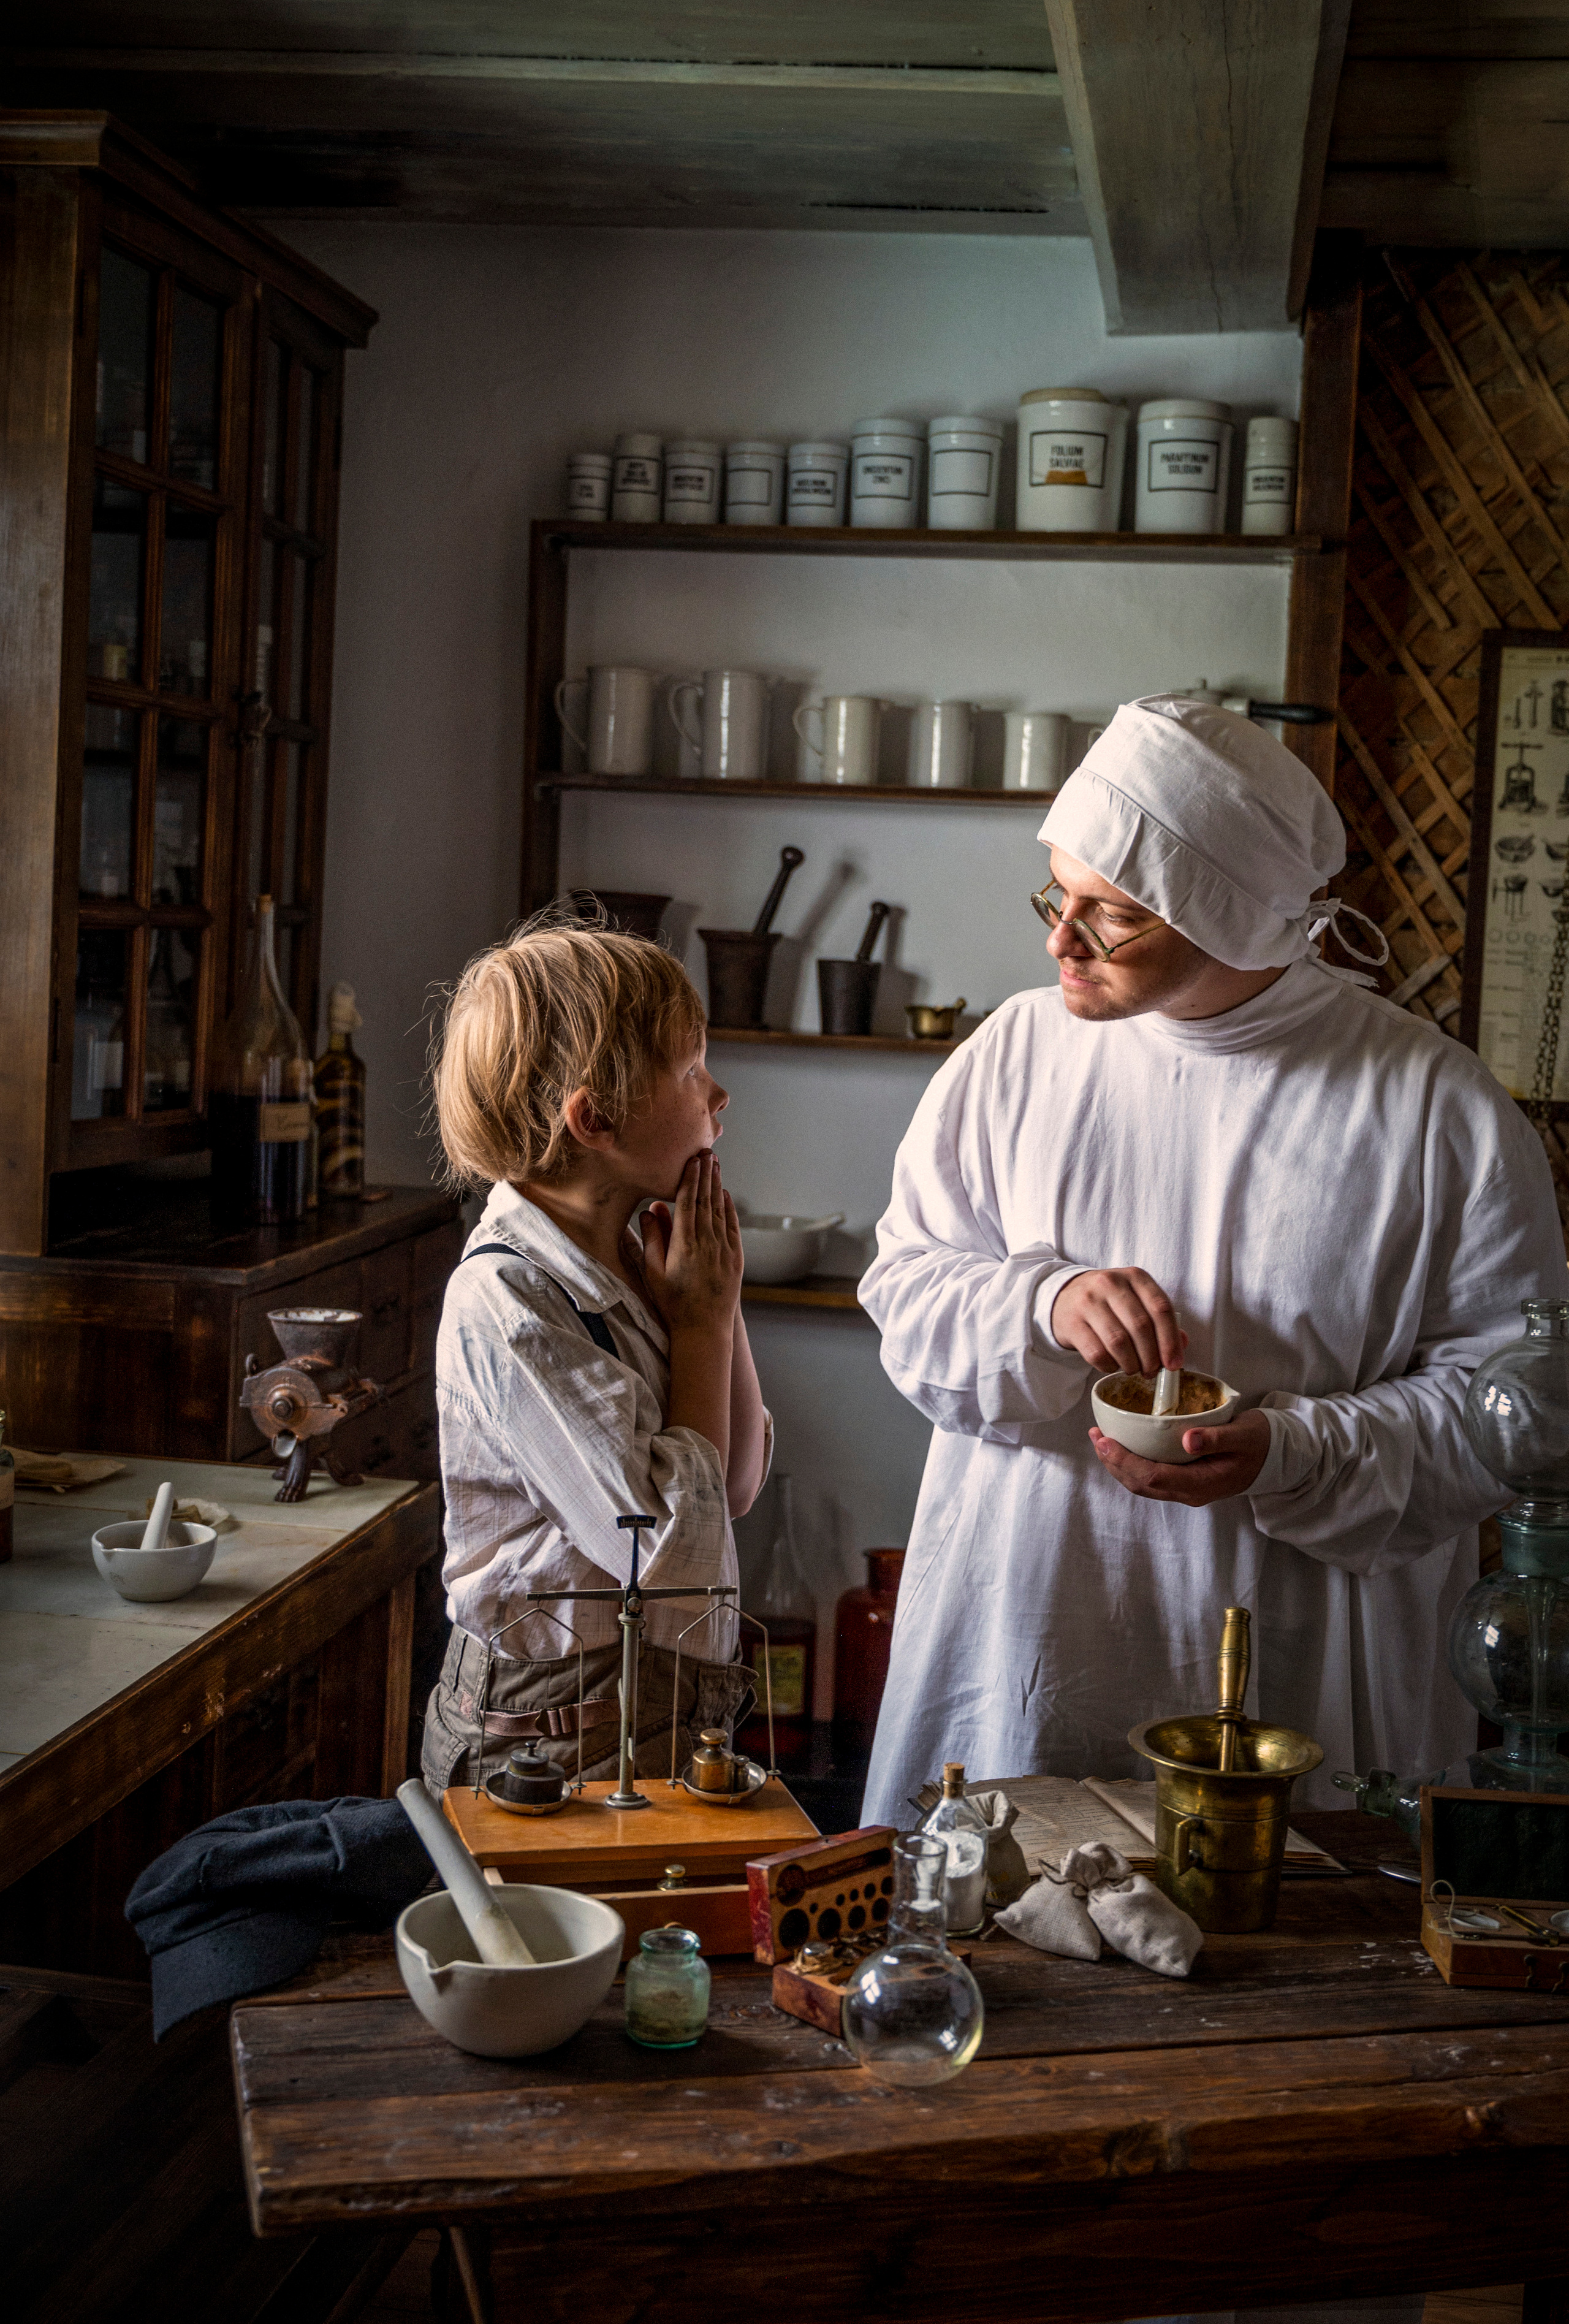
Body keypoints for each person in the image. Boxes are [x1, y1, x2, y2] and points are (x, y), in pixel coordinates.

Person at [860, 696, 1567, 1822]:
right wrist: (1043, 1301)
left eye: (1110, 913)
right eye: (1058, 892)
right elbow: (904, 1292)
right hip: (1029, 1623)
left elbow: (1516, 1418)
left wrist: (1292, 1450)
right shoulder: (1012, 1057)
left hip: (1301, 1661)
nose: (1059, 940)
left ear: (1228, 917)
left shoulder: (1436, 1111)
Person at [420, 915, 770, 1799]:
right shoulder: (509, 1303)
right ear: (596, 1117)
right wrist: (694, 1329)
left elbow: (730, 1491)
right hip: (550, 1743)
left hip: (653, 1711)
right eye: (691, 1070)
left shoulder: (631, 1257)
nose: (718, 1094)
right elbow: (661, 1546)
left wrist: (713, 1311)